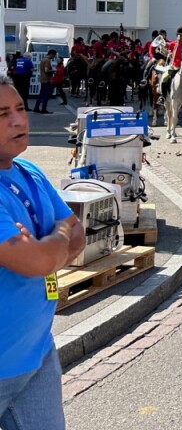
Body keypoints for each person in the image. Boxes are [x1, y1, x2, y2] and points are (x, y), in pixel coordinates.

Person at [0, 76, 86, 429]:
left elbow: (77, 230)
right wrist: (55, 241)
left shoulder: (29, 172)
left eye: (20, 108)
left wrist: (50, 244)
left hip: (36, 354)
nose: (19, 120)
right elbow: (35, 262)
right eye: (2, 113)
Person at [160, 28, 182, 96]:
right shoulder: (173, 44)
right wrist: (169, 55)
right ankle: (163, 96)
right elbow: (170, 53)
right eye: (180, 35)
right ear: (177, 36)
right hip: (175, 66)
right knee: (164, 78)